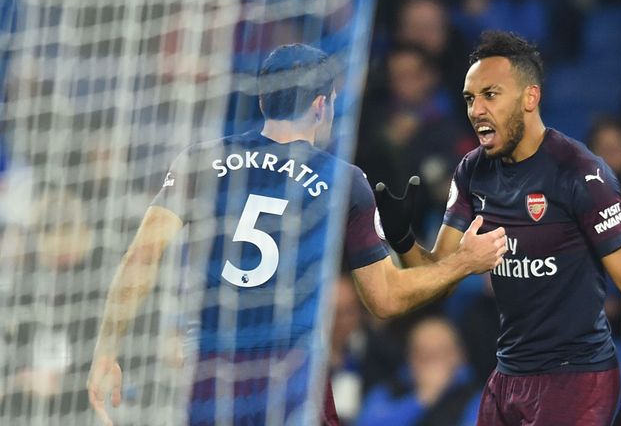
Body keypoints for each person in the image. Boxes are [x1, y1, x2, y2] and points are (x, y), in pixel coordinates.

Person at [86, 43, 507, 426]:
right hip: (289, 377)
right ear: (321, 106)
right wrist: (463, 263)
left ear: (264, 99)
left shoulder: (200, 160)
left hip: (208, 376)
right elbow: (385, 299)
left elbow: (142, 258)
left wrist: (106, 349)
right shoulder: (341, 179)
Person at [374, 31, 621, 425]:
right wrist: (404, 239)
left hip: (576, 377)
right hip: (508, 374)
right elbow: (440, 276)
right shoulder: (472, 170)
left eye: (490, 94)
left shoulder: (579, 172)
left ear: (530, 98)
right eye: (470, 99)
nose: (476, 110)